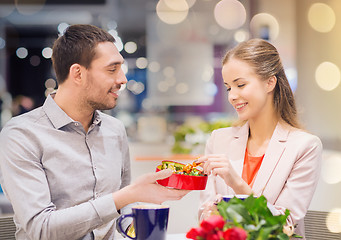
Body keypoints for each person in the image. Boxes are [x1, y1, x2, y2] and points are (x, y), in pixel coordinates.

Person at [0, 24, 188, 240]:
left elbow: (123, 204)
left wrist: (135, 228)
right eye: (112, 69)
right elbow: (41, 230)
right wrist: (125, 196)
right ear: (78, 74)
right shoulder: (22, 135)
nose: (123, 80)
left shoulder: (115, 130)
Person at [197, 39, 322, 238]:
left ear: (269, 82)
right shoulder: (218, 140)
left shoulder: (304, 146)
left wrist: (237, 185)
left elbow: (285, 224)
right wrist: (208, 213)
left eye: (240, 84)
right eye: (229, 88)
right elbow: (205, 216)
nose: (232, 96)